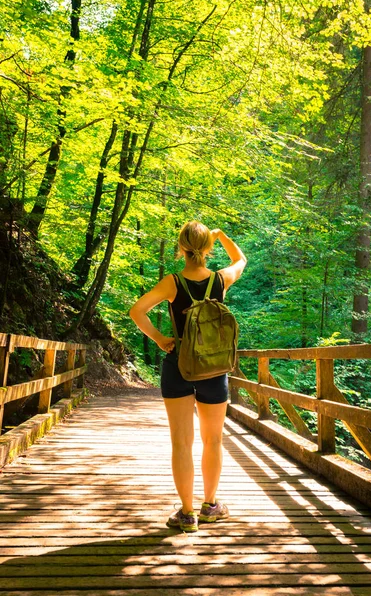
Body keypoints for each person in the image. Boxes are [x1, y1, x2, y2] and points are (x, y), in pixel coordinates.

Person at [129, 221, 247, 532]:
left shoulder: (172, 283)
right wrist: (221, 237)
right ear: (208, 248)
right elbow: (241, 260)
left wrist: (159, 339)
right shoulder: (221, 279)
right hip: (214, 369)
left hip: (178, 365)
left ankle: (186, 513)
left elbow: (137, 310)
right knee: (213, 440)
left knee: (181, 443)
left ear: (181, 248)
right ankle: (210, 506)